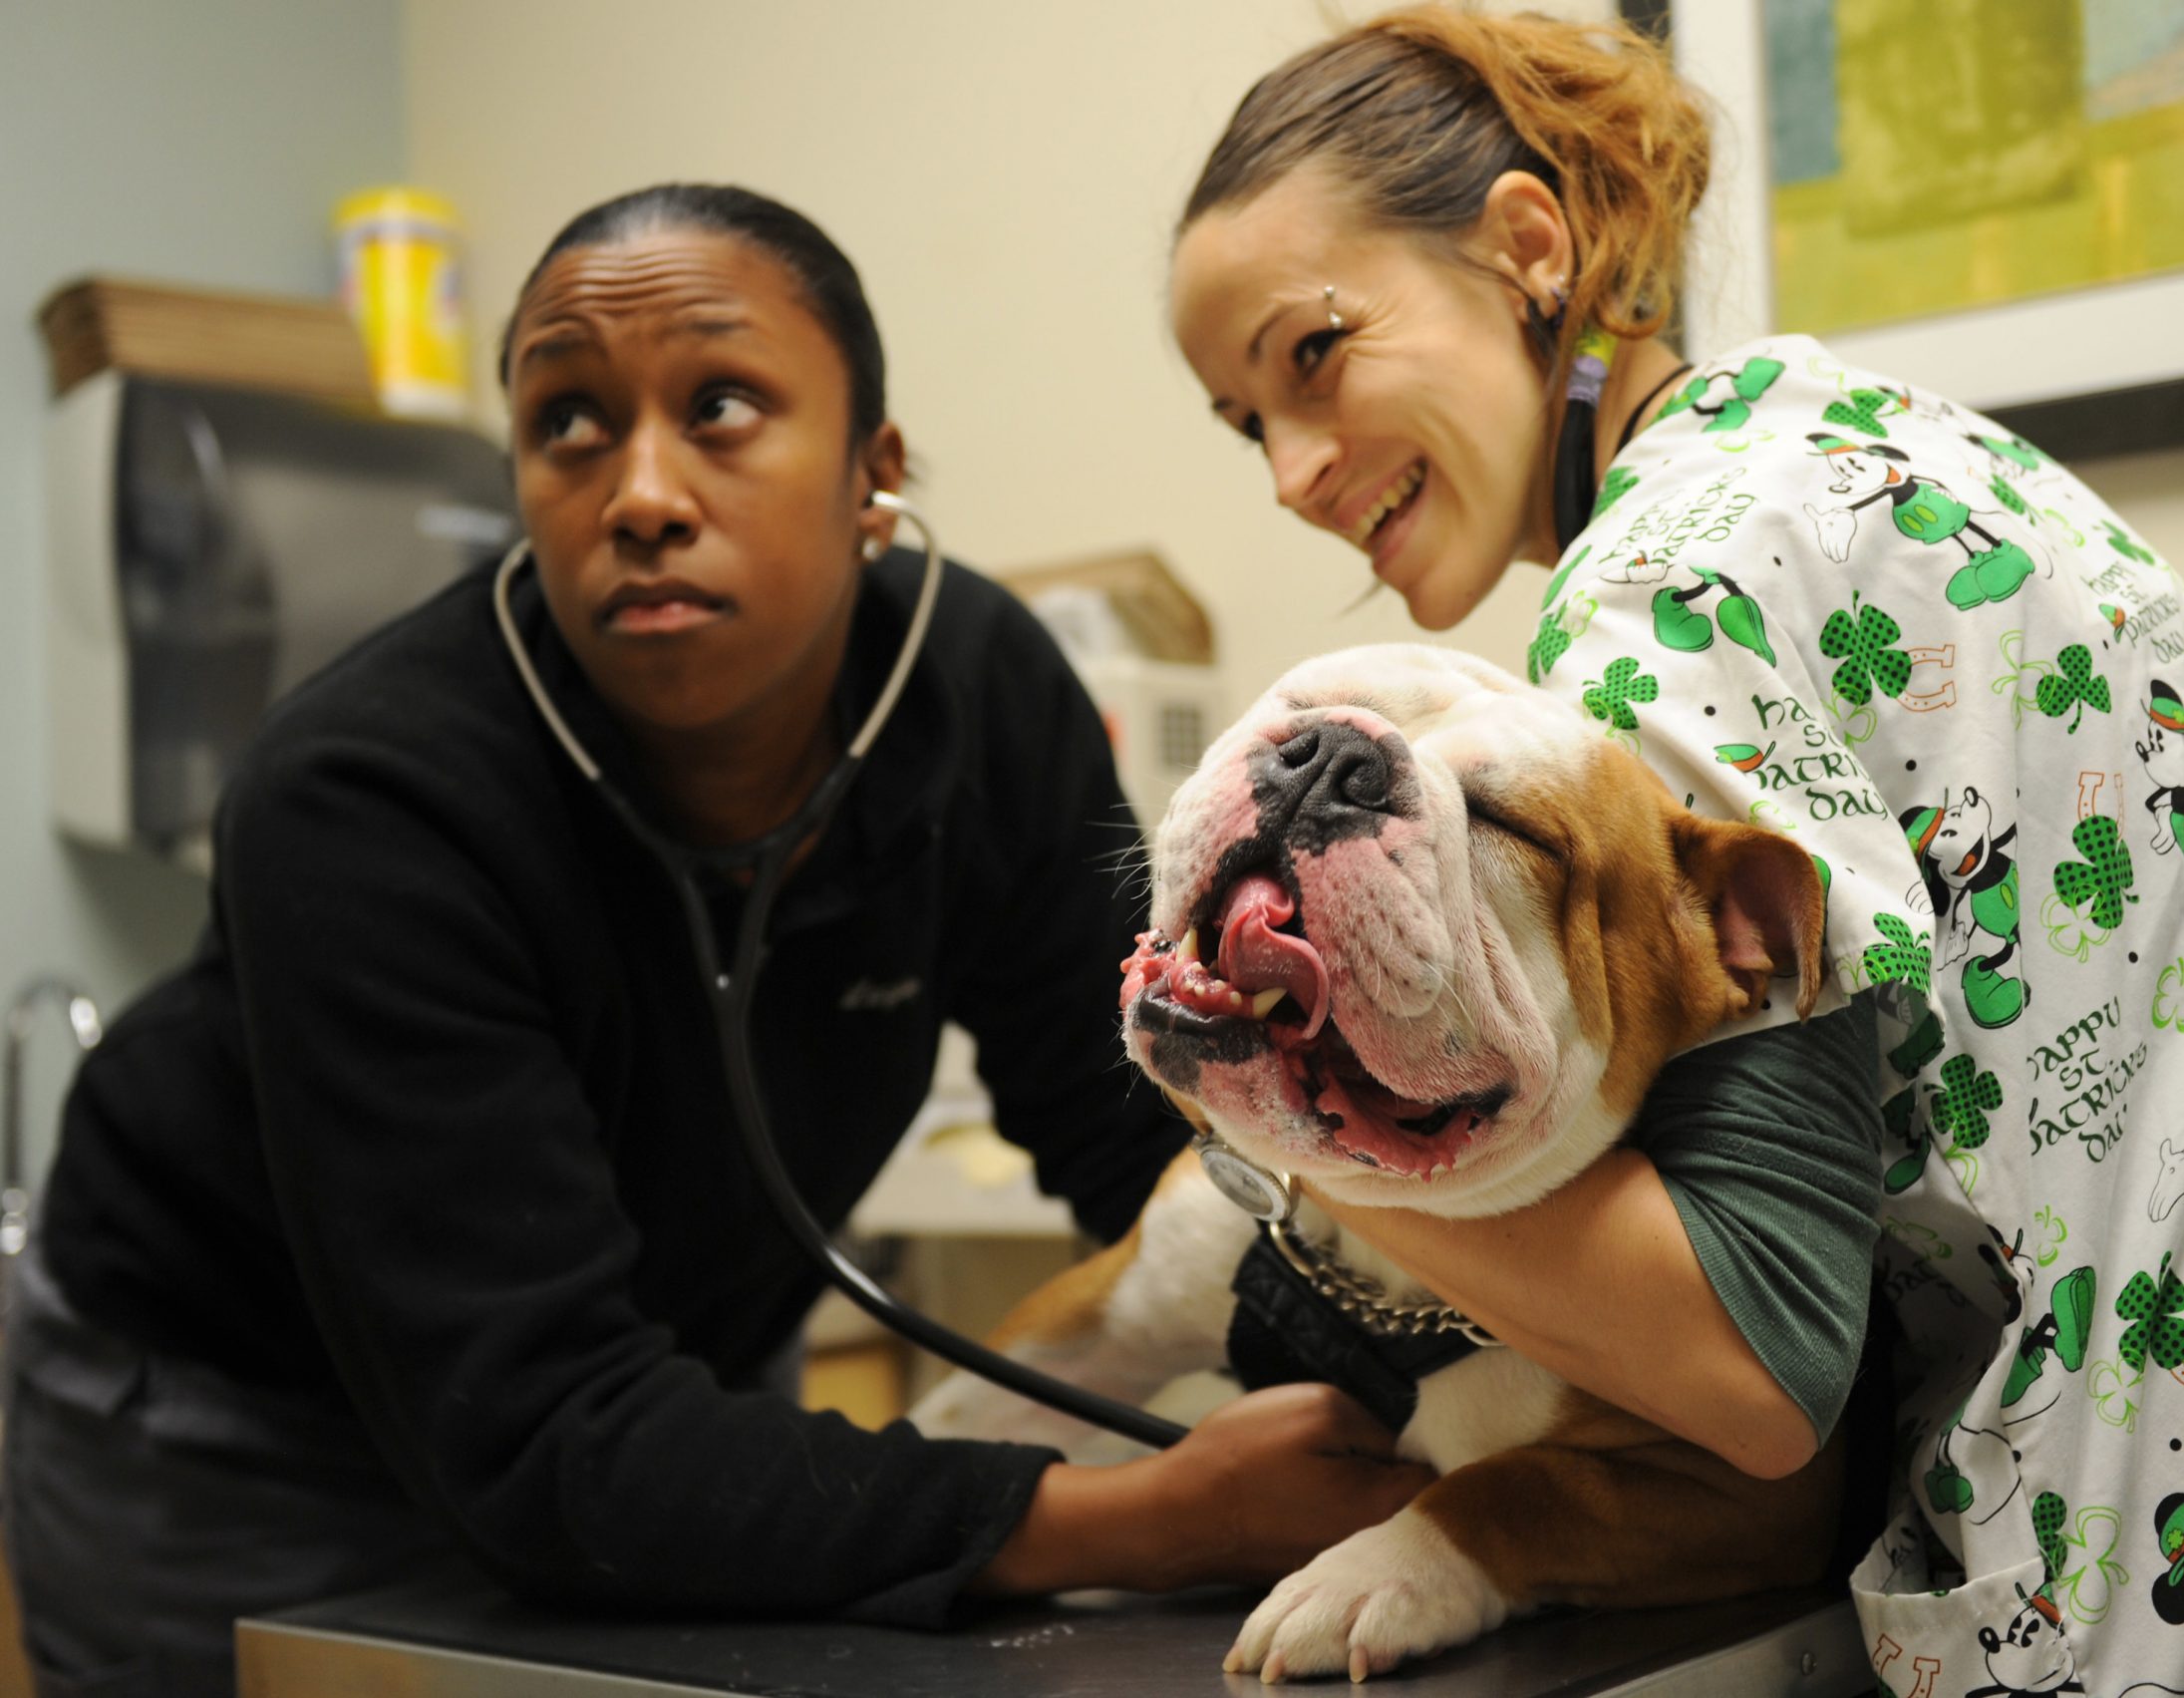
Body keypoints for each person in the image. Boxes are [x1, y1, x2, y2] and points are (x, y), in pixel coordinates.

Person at [1167, 10, 2184, 1695]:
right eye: (1244, 421)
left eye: (1314, 354)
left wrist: (1259, 1081)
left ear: (1529, 248)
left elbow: (1754, 1363)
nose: (1294, 472)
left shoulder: (1658, 604)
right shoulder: (1856, 438)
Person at [1, 183, 1430, 1696]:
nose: (640, 495)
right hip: (243, 1429)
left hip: (654, 1388)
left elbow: (1133, 1123)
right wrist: (1152, 1518)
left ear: (874, 476)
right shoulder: (362, 799)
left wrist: (1411, 1369)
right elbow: (543, 1440)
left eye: (722, 406)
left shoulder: (977, 695)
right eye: (567, 422)